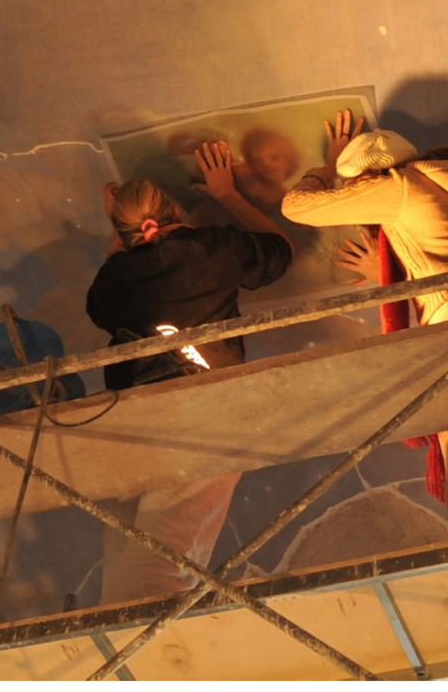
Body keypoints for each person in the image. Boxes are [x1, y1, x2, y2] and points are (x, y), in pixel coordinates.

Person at [281, 110, 448, 538]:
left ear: (373, 176)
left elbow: (296, 207)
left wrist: (326, 169)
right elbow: (444, 248)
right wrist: (390, 271)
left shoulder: (401, 187)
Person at [86, 142, 293, 603]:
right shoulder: (211, 248)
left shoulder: (115, 278)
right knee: (160, 562)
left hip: (130, 423)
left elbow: (100, 305)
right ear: (178, 211)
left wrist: (117, 232)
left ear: (123, 235)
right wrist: (227, 194)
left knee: (129, 549)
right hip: (203, 417)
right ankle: (145, 640)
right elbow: (280, 251)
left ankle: (121, 634)